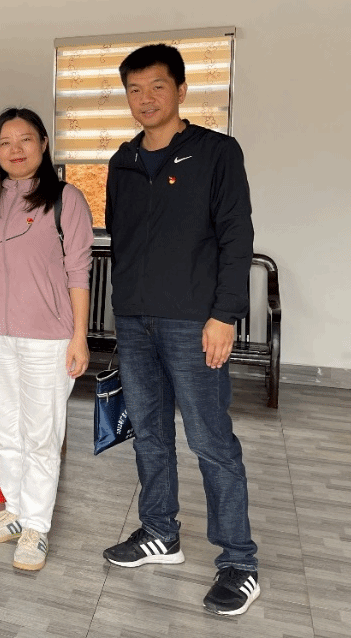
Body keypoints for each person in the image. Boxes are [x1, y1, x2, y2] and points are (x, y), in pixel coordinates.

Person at [103, 44, 259, 616]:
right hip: (134, 321)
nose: (145, 99)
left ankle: (239, 561)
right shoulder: (122, 161)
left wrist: (224, 315)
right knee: (148, 433)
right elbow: (120, 235)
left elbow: (236, 236)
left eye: (157, 87)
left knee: (210, 440)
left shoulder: (216, 152)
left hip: (195, 323)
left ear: (182, 91)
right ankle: (159, 533)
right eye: (134, 89)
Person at [0, 107, 93, 572]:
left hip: (47, 339)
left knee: (42, 434)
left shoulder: (66, 200)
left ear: (44, 144)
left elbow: (79, 272)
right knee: (4, 429)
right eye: (5, 142)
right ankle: (14, 510)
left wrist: (79, 336)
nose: (16, 150)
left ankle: (36, 525)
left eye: (25, 139)